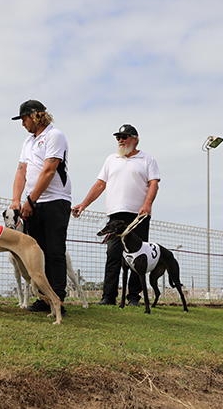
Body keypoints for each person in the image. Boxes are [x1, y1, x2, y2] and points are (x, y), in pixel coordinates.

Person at [72, 124, 160, 307]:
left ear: (134, 139)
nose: (120, 140)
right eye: (118, 137)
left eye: (124, 137)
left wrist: (147, 204)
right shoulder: (111, 160)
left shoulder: (147, 159)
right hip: (115, 217)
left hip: (138, 216)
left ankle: (134, 297)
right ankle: (108, 297)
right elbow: (99, 185)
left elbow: (153, 184)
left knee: (138, 257)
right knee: (113, 255)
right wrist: (83, 204)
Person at [10, 100, 72, 315]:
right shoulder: (27, 142)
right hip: (32, 204)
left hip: (55, 202)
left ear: (35, 116)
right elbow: (21, 171)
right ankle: (44, 298)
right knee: (37, 252)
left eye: (24, 119)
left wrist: (31, 201)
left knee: (55, 251)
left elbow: (49, 170)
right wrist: (16, 200)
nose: (23, 124)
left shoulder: (55, 136)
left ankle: (58, 300)